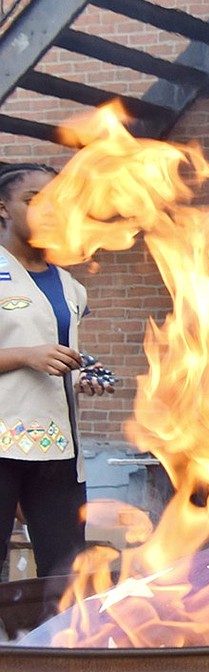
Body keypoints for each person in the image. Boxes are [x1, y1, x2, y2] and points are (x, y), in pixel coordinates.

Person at [0, 163, 115, 578]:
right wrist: (26, 355)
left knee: (65, 576)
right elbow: (34, 353)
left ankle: (55, 643)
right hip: (3, 447)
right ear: (3, 208)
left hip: (57, 451)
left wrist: (79, 374)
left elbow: (59, 353)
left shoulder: (69, 285)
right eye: (33, 200)